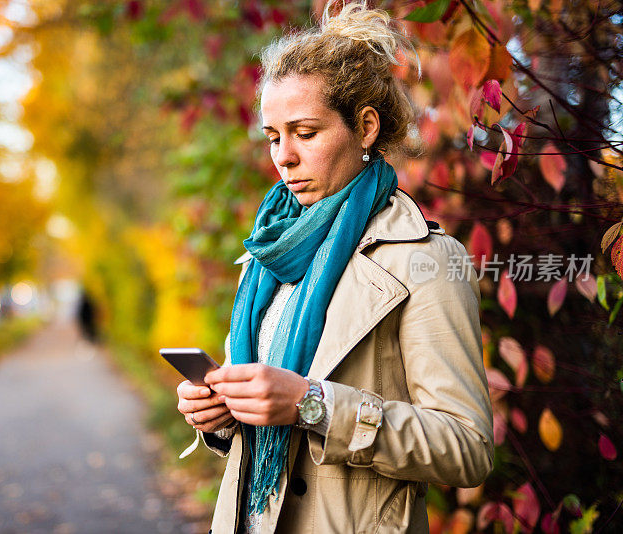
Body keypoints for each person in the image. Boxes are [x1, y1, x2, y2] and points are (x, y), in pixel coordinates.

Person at [175, 3, 494, 533]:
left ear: (365, 126)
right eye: (274, 136)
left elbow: (467, 448)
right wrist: (221, 415)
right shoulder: (269, 251)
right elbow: (266, 425)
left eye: (305, 132)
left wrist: (313, 404)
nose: (284, 158)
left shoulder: (425, 260)